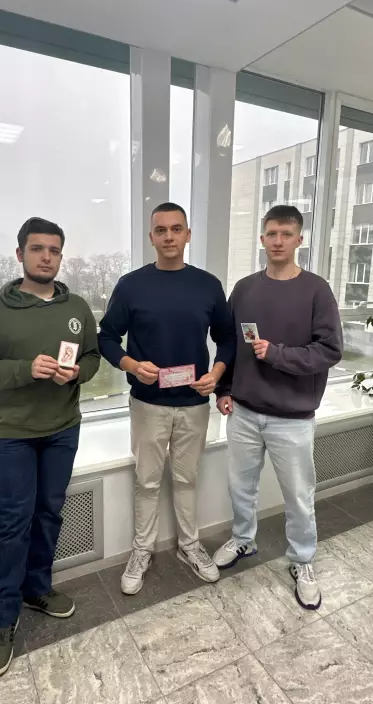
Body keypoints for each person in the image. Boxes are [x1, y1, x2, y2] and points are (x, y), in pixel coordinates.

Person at [0, 217, 100, 677]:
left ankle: (37, 588)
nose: (46, 257)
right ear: (20, 254)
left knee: (49, 513)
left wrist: (77, 373)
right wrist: (26, 369)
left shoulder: (77, 307)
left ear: (61, 256)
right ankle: (2, 617)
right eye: (38, 248)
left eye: (54, 250)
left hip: (63, 428)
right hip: (11, 435)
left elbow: (92, 357)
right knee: (12, 524)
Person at [99, 202, 236, 595]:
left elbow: (227, 339)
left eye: (177, 229)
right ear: (151, 237)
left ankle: (189, 546)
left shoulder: (208, 285)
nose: (169, 236)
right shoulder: (131, 285)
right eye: (161, 230)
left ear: (188, 235)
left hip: (194, 405)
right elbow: (106, 337)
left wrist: (216, 375)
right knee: (146, 482)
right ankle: (142, 550)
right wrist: (130, 364)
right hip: (147, 404)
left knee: (186, 479)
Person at [213, 205, 342, 611]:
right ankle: (243, 539)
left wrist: (277, 354)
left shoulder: (316, 290)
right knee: (241, 487)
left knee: (299, 496)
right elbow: (230, 345)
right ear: (262, 238)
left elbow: (329, 350)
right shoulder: (244, 289)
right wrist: (224, 389)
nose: (278, 241)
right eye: (271, 234)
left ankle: (302, 560)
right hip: (244, 412)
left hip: (293, 418)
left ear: (299, 239)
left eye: (286, 234)